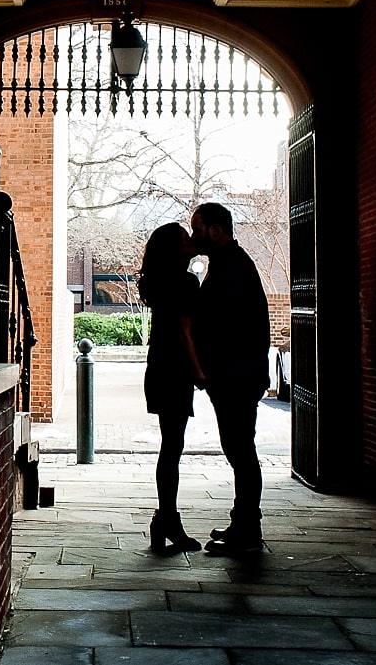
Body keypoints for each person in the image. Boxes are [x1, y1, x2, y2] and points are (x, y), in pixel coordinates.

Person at [189, 202, 271, 555]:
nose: (195, 236)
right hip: (235, 375)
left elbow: (229, 327)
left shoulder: (233, 269)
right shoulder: (228, 264)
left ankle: (248, 531)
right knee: (239, 450)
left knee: (241, 451)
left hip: (236, 376)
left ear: (217, 229)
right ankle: (243, 522)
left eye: (198, 228)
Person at [137, 222, 208, 554]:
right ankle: (167, 520)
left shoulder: (161, 281)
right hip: (176, 369)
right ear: (175, 248)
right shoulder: (185, 282)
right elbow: (185, 330)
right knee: (172, 448)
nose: (191, 240)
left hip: (159, 367)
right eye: (185, 238)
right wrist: (199, 372)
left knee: (171, 447)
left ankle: (165, 519)